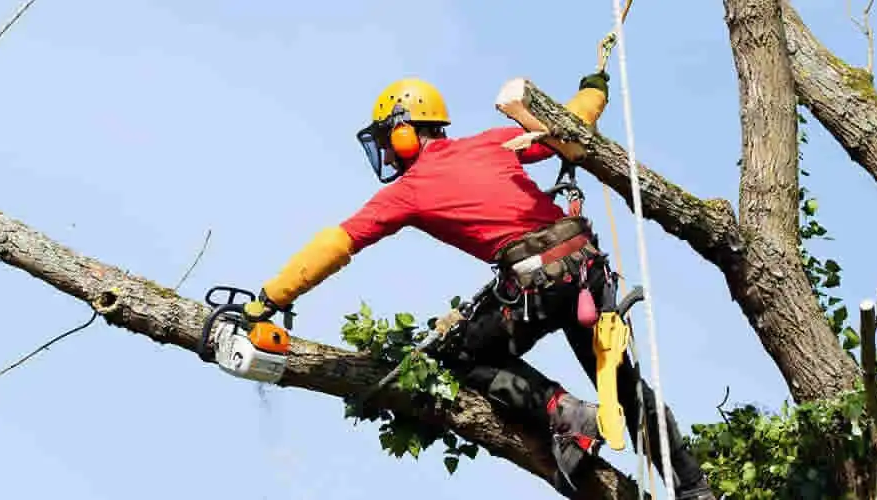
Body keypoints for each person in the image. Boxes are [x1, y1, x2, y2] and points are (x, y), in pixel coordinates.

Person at [237, 74, 717, 498]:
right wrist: (594, 90)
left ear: (405, 132)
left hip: (536, 282)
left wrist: (269, 299)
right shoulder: (491, 142)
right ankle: (695, 489)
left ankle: (564, 412)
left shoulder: (410, 189)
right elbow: (567, 125)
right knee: (624, 384)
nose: (385, 153)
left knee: (463, 356)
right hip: (585, 270)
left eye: (387, 140)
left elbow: (337, 243)